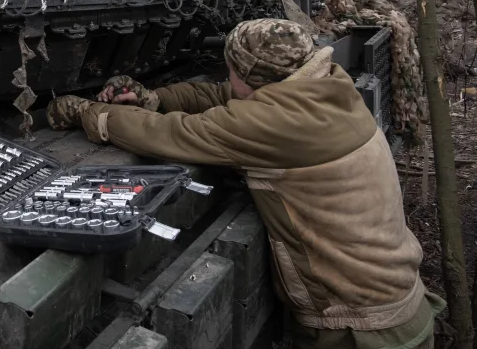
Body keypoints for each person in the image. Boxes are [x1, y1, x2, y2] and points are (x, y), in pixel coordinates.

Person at [46, 18, 443, 349]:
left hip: (362, 328)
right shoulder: (328, 89)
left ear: (250, 77)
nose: (227, 77)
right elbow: (220, 96)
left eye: (231, 69)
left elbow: (167, 134)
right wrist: (153, 97)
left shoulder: (276, 125)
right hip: (400, 305)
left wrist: (87, 111)